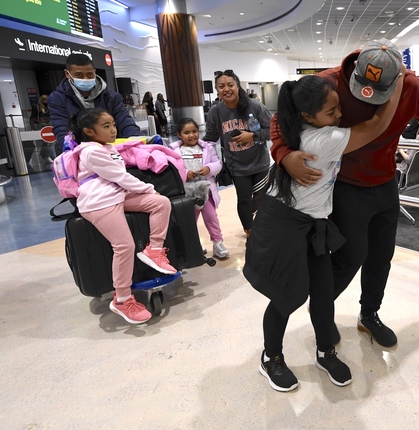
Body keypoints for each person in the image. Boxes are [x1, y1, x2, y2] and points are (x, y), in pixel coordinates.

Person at [270, 39, 419, 347]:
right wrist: (282, 153)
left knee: (382, 255)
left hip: (385, 180)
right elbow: (280, 119)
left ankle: (370, 314)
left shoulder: (410, 85)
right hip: (346, 184)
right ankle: (321, 304)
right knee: (351, 254)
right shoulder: (327, 84)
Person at [246, 70, 405, 392]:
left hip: (313, 223)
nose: (340, 116)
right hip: (284, 223)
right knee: (285, 295)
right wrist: (397, 83)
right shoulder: (325, 140)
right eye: (331, 112)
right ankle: (271, 357)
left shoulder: (299, 127)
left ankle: (325, 352)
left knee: (322, 292)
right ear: (308, 115)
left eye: (338, 108)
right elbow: (376, 126)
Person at [69, 108, 175, 324]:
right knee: (124, 246)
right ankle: (122, 299)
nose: (113, 130)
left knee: (161, 203)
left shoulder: (107, 148)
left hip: (117, 196)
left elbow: (120, 179)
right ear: (88, 131)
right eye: (106, 126)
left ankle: (154, 250)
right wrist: (148, 188)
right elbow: (119, 177)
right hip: (99, 202)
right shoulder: (90, 152)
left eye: (113, 125)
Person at [204, 69, 273, 239]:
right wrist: (190, 148)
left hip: (259, 163)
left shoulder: (254, 106)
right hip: (236, 166)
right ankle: (250, 232)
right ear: (217, 89)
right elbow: (210, 139)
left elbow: (272, 130)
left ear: (237, 86)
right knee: (243, 199)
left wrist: (253, 135)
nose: (226, 89)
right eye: (221, 86)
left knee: (262, 198)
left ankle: (262, 227)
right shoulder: (216, 111)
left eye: (230, 85)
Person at [48, 53, 141, 150]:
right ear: (67, 74)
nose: (85, 79)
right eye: (79, 75)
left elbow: (125, 121)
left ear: (95, 72)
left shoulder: (111, 97)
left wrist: (135, 141)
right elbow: (62, 128)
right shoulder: (57, 99)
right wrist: (70, 149)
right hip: (81, 152)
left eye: (89, 74)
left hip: (113, 150)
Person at [169, 118, 229, 260]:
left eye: (194, 131)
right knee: (189, 221)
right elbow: (171, 169)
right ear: (179, 134)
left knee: (212, 218)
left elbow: (218, 163)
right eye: (186, 132)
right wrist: (184, 174)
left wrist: (209, 168)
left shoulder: (207, 147)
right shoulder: (173, 151)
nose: (192, 135)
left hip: (206, 192)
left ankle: (217, 243)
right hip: (187, 193)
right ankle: (194, 245)